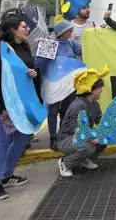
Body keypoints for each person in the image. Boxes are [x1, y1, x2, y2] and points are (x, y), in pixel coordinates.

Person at [0, 17, 40, 200]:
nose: (27, 30)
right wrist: (1, 108)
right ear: (12, 30)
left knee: (22, 138)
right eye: (24, 27)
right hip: (5, 105)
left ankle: (7, 175)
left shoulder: (24, 47)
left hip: (23, 104)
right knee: (2, 141)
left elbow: (27, 72)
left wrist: (34, 74)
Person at [34, 20, 81, 151]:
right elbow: (38, 63)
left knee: (67, 111)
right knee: (53, 111)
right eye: (69, 30)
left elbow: (84, 50)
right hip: (54, 84)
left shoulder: (71, 44)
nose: (72, 32)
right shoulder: (50, 44)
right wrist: (43, 49)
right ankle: (53, 138)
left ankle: (63, 135)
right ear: (62, 32)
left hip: (69, 84)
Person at [57, 67, 109, 178]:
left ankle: (83, 160)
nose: (101, 90)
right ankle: (65, 162)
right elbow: (75, 129)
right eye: (100, 87)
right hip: (66, 139)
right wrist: (91, 138)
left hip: (79, 136)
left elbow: (101, 122)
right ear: (92, 89)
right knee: (88, 146)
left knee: (104, 139)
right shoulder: (79, 105)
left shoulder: (95, 104)